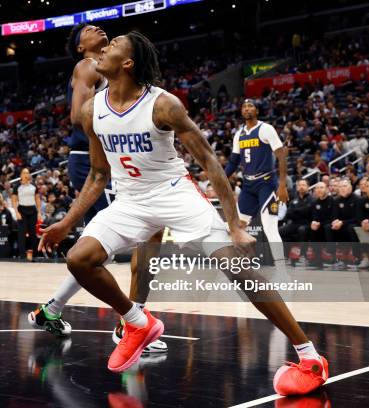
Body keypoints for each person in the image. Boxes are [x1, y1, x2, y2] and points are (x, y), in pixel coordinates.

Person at [39, 31, 327, 395]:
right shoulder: (90, 110)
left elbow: (208, 159)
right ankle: (137, 322)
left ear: (128, 63)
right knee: (80, 259)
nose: (105, 46)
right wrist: (66, 223)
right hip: (130, 200)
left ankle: (309, 355)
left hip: (174, 193)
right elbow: (98, 173)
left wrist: (234, 223)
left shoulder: (164, 105)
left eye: (114, 46)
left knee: (237, 268)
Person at [27, 23, 166, 354]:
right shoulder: (87, 65)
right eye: (87, 29)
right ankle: (130, 323)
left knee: (122, 244)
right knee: (120, 244)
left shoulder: (108, 68)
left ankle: (52, 310)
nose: (97, 28)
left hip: (105, 160)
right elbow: (78, 115)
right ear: (80, 47)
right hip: (96, 163)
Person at [225, 99, 289, 267]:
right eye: (244, 107)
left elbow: (281, 156)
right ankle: (240, 261)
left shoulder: (266, 129)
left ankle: (282, 270)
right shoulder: (239, 134)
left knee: (270, 228)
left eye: (250, 106)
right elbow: (233, 162)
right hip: (248, 186)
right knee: (238, 226)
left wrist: (282, 186)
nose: (247, 109)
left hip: (266, 184)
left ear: (257, 110)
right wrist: (221, 179)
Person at [11, 168, 41, 261]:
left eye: (27, 173)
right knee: (21, 233)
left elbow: (37, 199)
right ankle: (22, 255)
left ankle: (35, 254)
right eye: (24, 173)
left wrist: (39, 212)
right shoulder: (17, 186)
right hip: (22, 210)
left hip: (32, 210)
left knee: (33, 233)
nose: (26, 174)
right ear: (21, 175)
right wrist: (16, 212)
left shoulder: (33, 186)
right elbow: (14, 200)